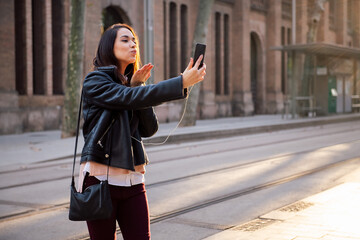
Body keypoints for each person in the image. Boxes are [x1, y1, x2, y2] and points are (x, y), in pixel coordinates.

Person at [78, 23, 206, 240]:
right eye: (125, 40)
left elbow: (149, 129)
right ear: (109, 47)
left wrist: (137, 87)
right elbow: (125, 98)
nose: (133, 44)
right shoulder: (95, 81)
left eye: (134, 40)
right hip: (100, 182)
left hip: (133, 181)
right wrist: (181, 82)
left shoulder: (132, 87)